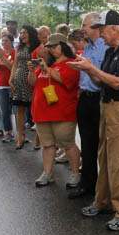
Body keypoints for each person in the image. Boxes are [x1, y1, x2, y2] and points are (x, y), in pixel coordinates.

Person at [68, 10, 119, 232]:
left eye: (103, 30)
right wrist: (88, 69)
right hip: (108, 106)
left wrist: (91, 68)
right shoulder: (112, 51)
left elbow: (118, 83)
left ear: (115, 28)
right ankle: (104, 202)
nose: (100, 35)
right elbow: (104, 82)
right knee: (105, 156)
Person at [27, 33, 81, 188]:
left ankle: (75, 173)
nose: (50, 49)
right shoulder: (47, 65)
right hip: (42, 112)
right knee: (47, 145)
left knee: (67, 144)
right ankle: (47, 173)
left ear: (63, 46)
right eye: (49, 47)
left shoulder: (72, 63)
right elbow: (32, 83)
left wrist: (46, 69)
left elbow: (65, 80)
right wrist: (32, 71)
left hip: (63, 112)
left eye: (53, 46)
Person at [68, 13, 107, 199]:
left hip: (99, 98)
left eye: (84, 25)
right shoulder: (88, 48)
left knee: (102, 146)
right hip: (85, 98)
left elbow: (101, 77)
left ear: (95, 27)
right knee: (87, 143)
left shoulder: (105, 47)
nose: (82, 28)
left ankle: (102, 189)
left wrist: (88, 69)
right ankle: (87, 185)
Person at [9, 25, 41, 149]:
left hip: (32, 81)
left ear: (31, 33)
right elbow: (15, 64)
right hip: (18, 80)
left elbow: (39, 65)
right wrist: (11, 78)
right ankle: (20, 136)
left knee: (35, 111)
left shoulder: (37, 47)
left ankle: (38, 138)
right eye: (21, 33)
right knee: (19, 110)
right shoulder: (19, 47)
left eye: (25, 32)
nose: (22, 35)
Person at [0, 34, 15, 143]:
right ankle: (8, 132)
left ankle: (20, 134)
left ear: (11, 41)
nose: (4, 43)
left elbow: (12, 68)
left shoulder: (15, 52)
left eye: (6, 41)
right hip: (1, 85)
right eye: (2, 41)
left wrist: (4, 58)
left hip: (13, 85)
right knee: (4, 110)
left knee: (16, 110)